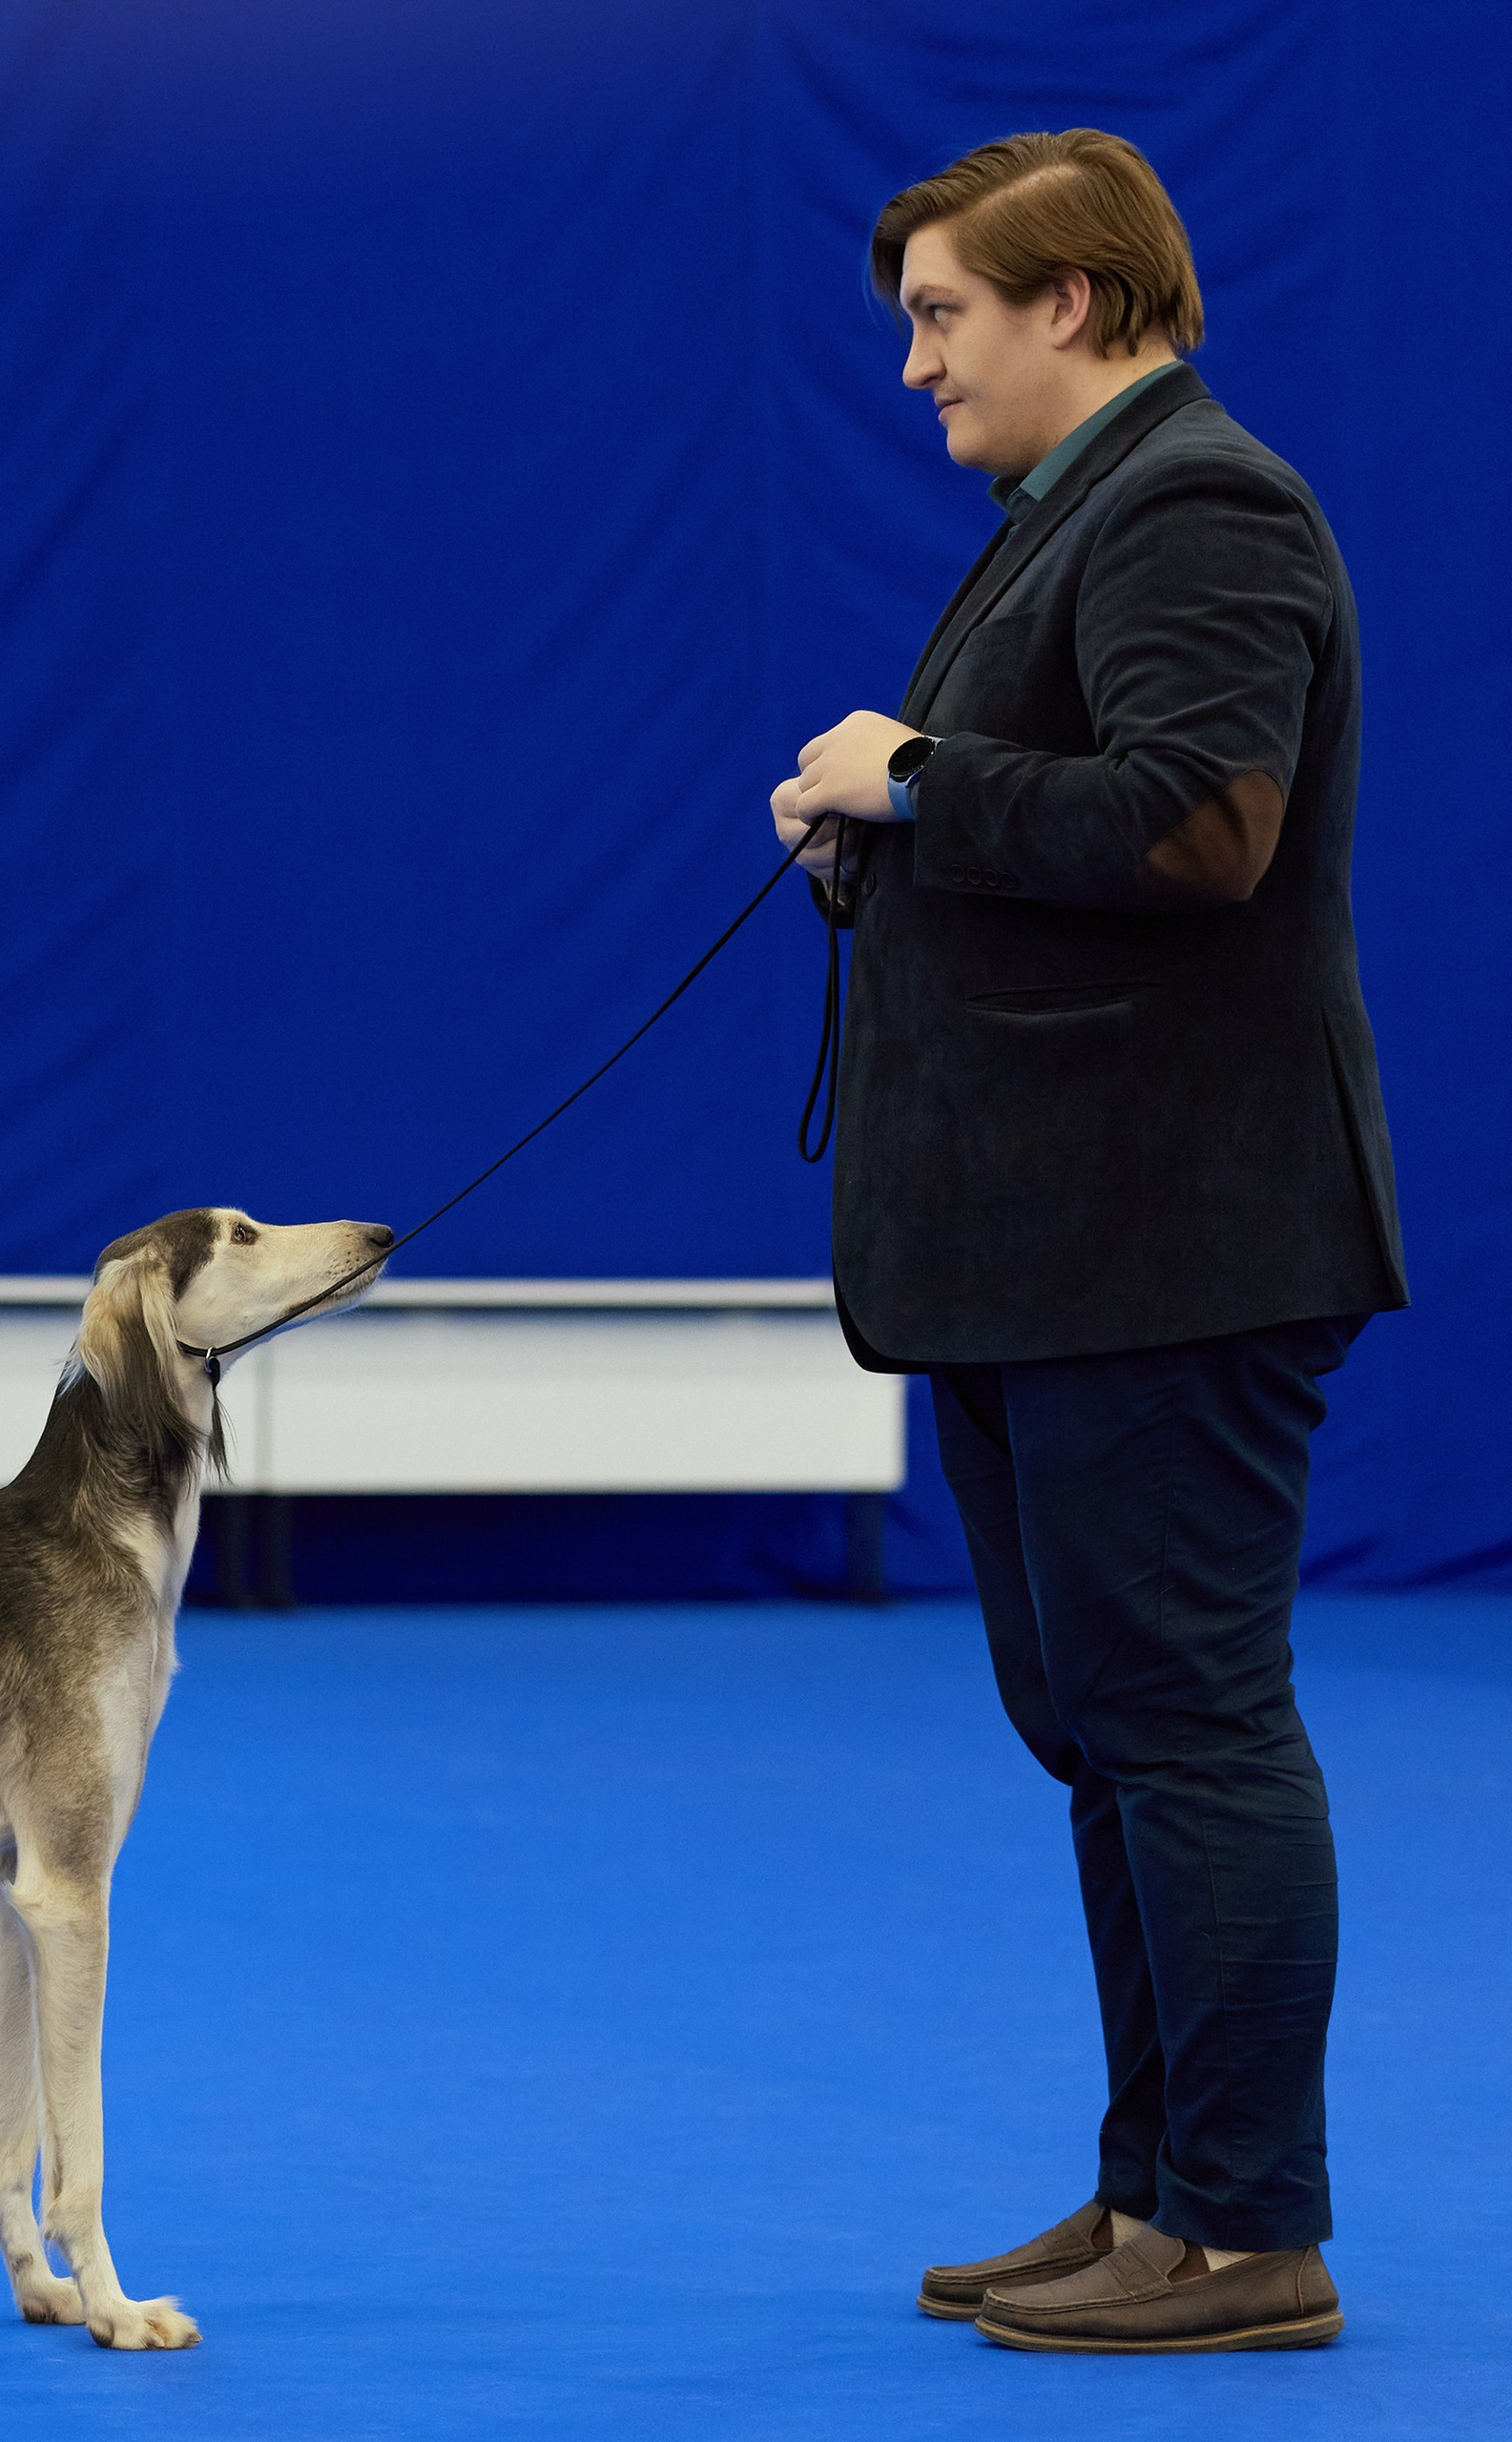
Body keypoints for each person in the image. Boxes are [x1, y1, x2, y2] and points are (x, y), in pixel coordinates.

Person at [770, 129, 1406, 2353]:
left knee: (1184, 1722)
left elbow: (1196, 825)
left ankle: (1243, 2229)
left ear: (1074, 300)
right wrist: (886, 831)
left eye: (941, 315)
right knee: (1112, 1727)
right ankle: (1157, 2188)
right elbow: (1071, 827)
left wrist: (912, 779)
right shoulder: (1072, 512)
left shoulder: (1198, 504)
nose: (914, 367)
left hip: (1170, 1244)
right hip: (1061, 1249)